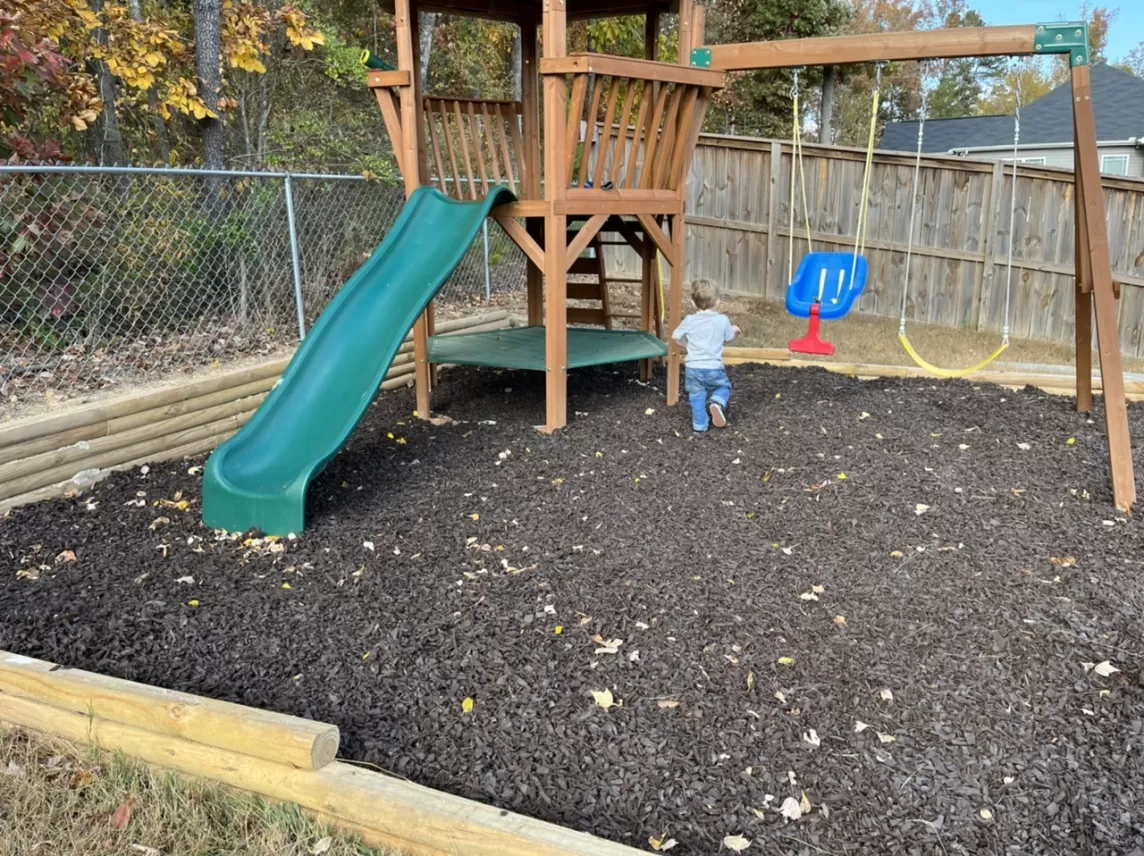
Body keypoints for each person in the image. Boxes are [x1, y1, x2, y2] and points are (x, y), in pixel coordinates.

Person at [671, 279, 740, 432]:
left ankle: (700, 426)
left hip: (693, 368)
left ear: (693, 303)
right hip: (713, 368)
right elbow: (728, 337)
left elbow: (675, 336)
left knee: (696, 397)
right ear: (718, 302)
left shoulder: (689, 320)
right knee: (723, 386)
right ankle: (717, 401)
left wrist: (686, 346)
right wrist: (734, 329)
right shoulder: (722, 320)